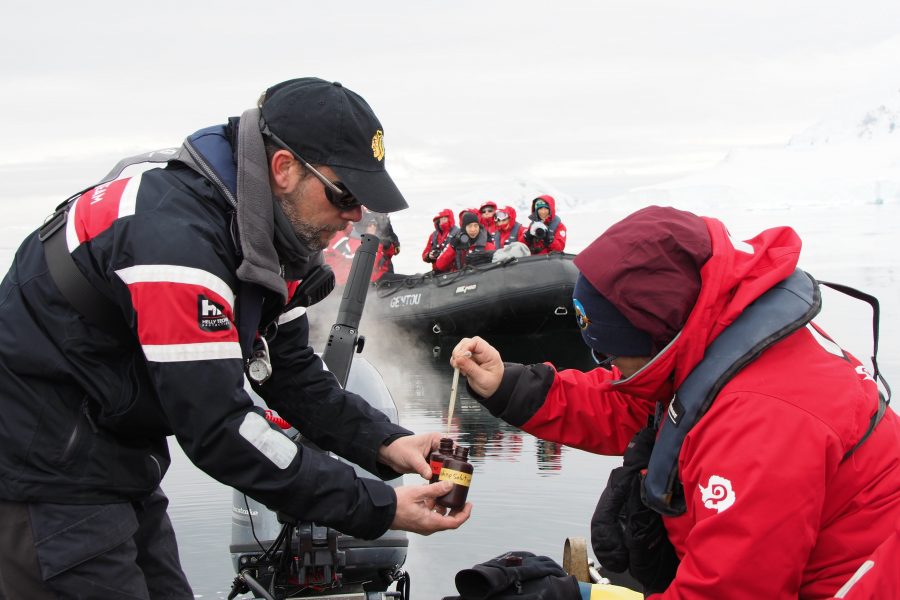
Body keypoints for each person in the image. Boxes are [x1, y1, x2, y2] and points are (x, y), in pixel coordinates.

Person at [0, 77, 471, 599]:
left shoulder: (267, 241)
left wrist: (389, 443)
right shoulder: (176, 244)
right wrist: (381, 507)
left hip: (117, 458)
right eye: (345, 194)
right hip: (43, 476)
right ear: (284, 168)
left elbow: (291, 374)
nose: (355, 215)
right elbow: (219, 428)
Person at [451, 205, 900, 599]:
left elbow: (729, 594)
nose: (606, 364)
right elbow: (627, 400)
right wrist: (506, 385)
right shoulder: (719, 339)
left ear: (659, 338)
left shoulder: (762, 422)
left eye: (611, 352)